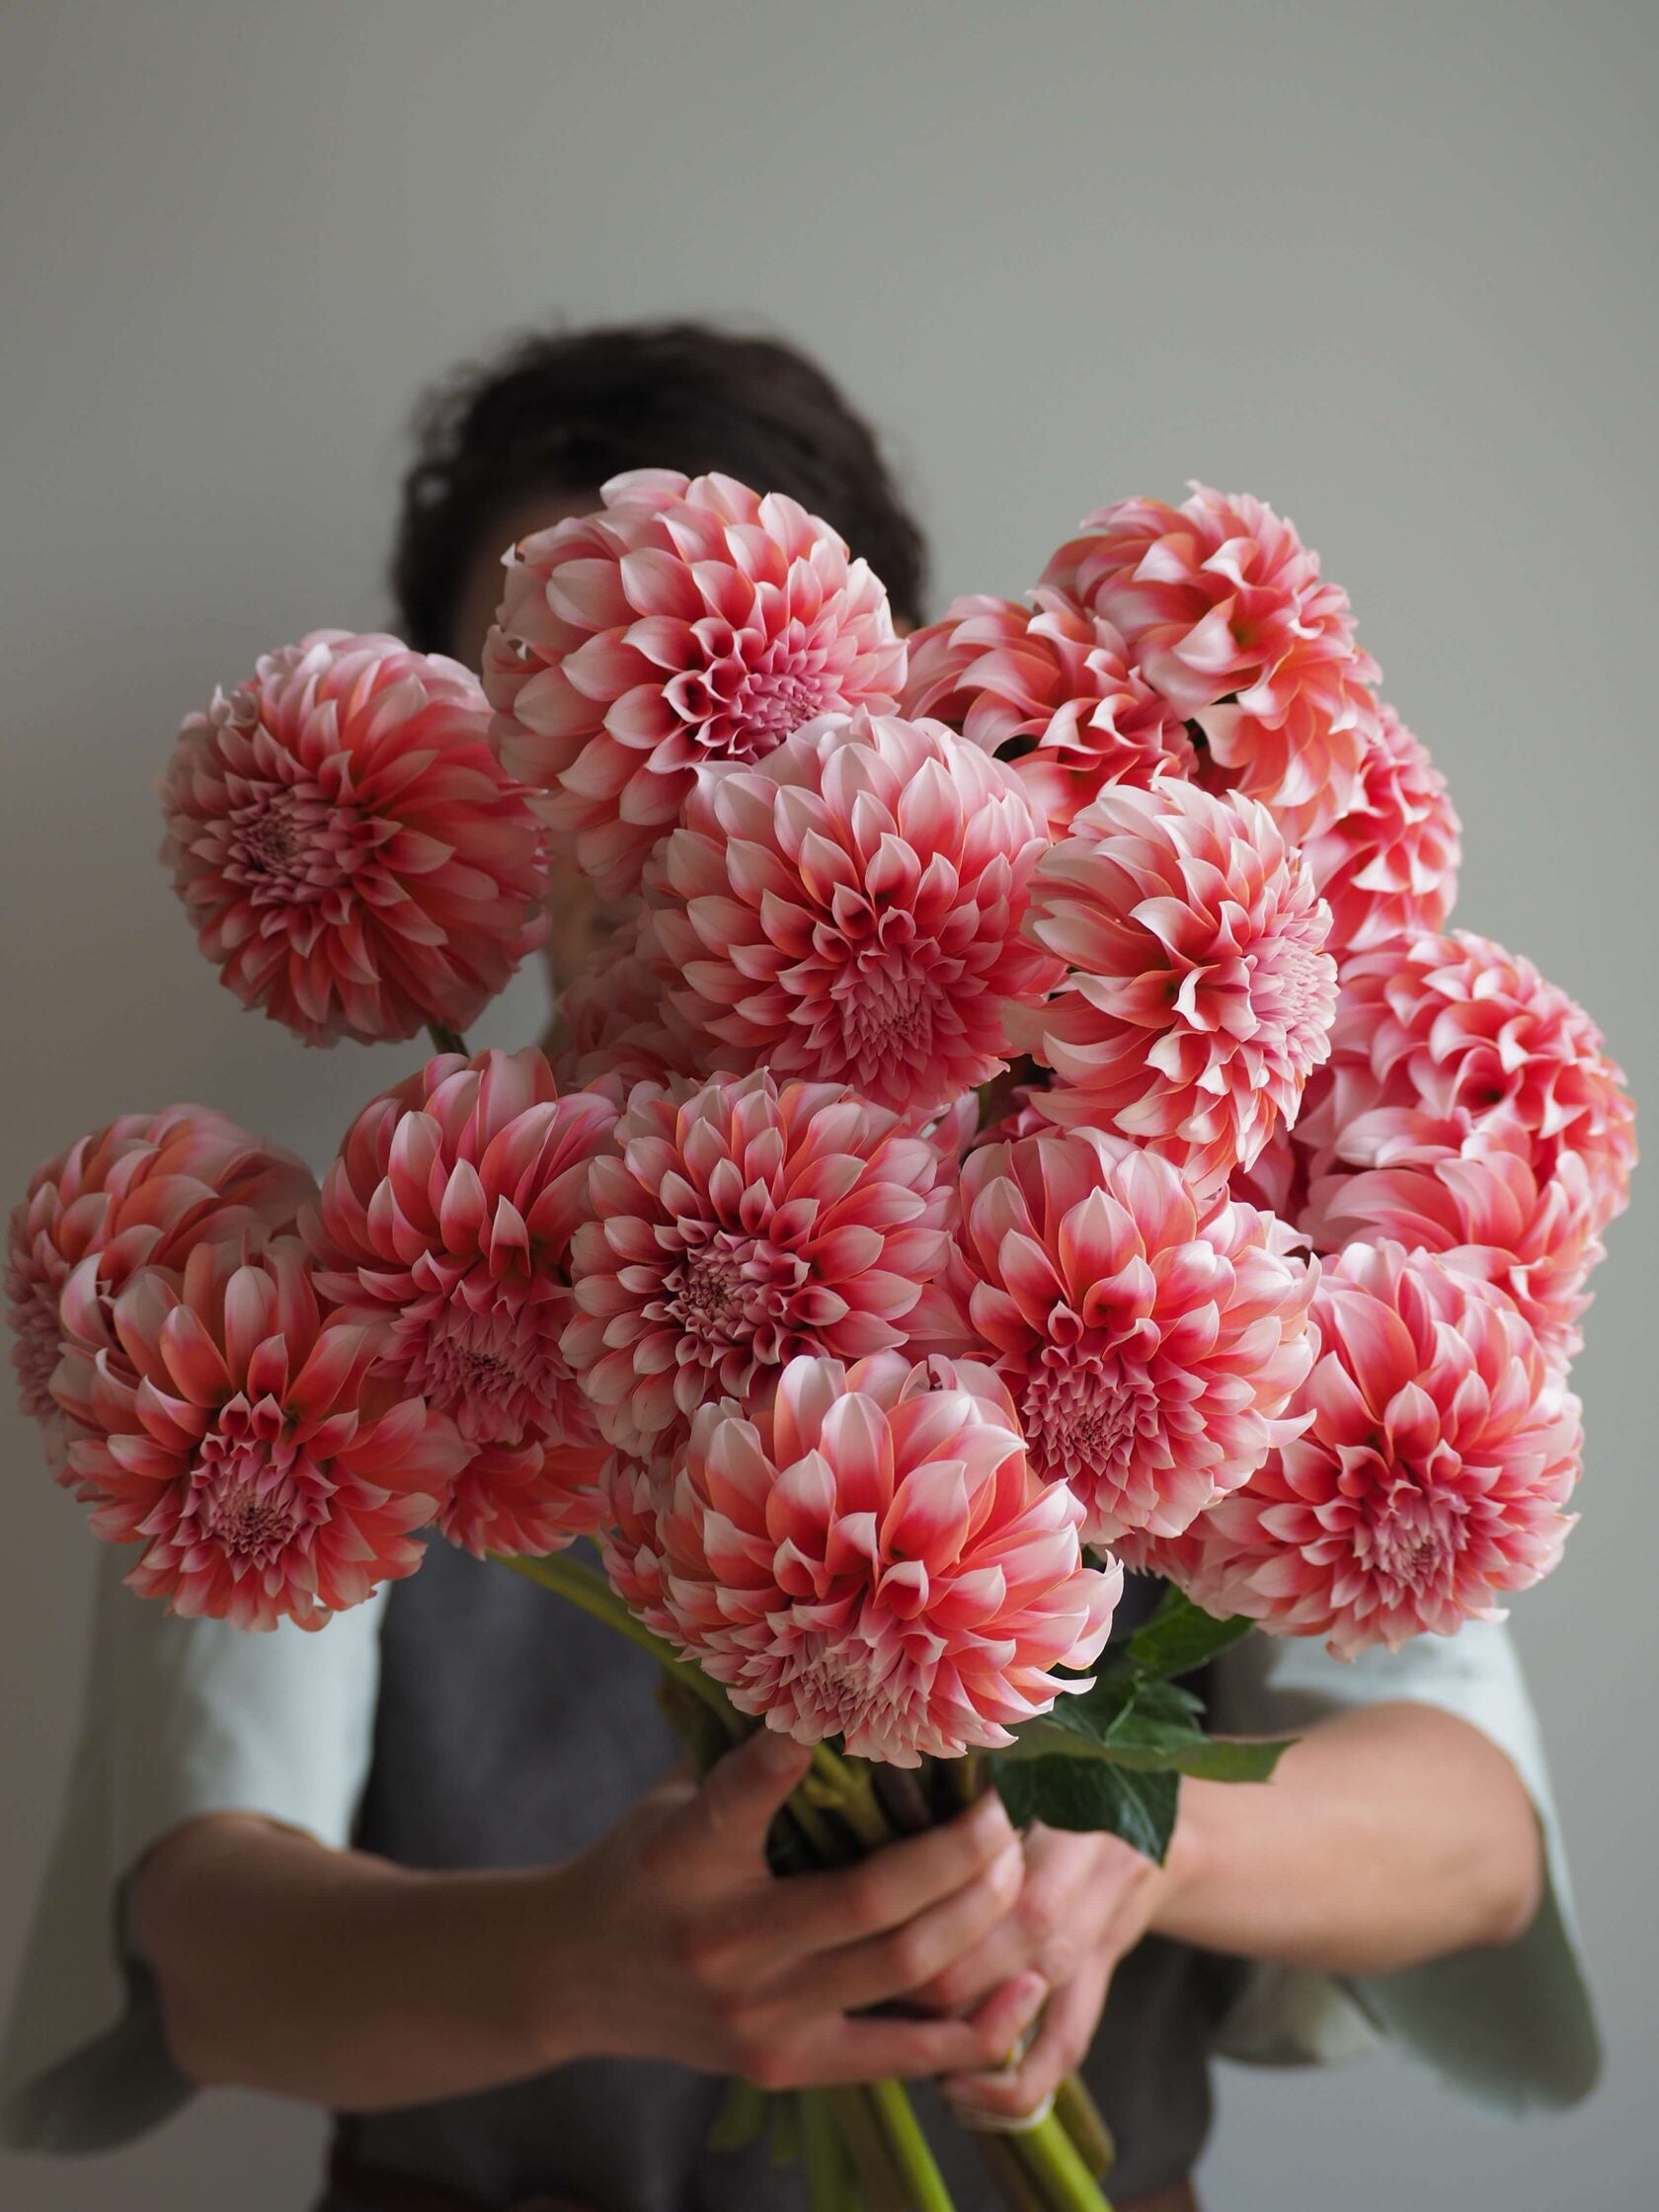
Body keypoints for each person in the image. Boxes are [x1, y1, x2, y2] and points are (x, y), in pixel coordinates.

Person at [0, 322, 1600, 2212]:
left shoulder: (1173, 1177)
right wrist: (571, 1967)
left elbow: (1475, 1827)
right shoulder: (348, 1270)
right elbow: (206, 1936)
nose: (645, 787)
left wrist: (1125, 1839)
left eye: (711, 719)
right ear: (446, 738)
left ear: (901, 712)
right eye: (544, 696)